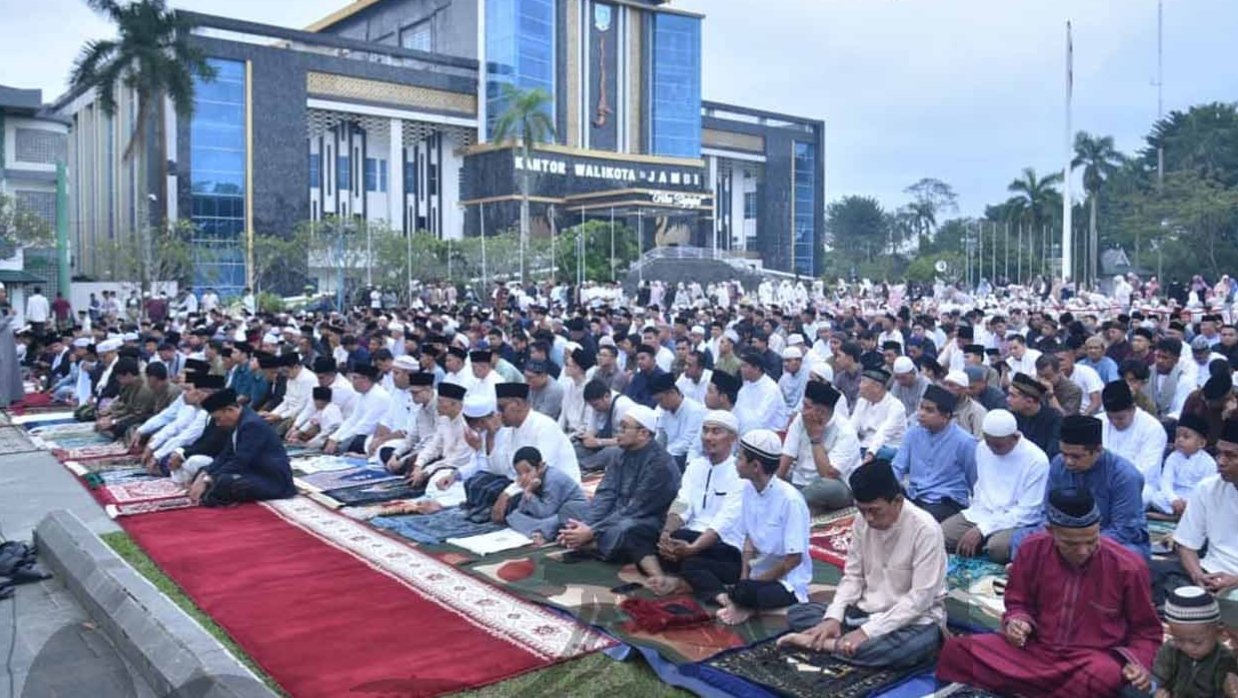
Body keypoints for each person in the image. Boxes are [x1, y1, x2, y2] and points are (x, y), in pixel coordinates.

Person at [937, 487, 1164, 698]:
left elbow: (1147, 632)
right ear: (1051, 531)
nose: (1084, 550)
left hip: (1087, 660)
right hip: (1034, 651)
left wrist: (1139, 663)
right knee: (957, 651)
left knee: (1104, 678)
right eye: (1072, 544)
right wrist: (1018, 622)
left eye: (1091, 541)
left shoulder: (1127, 566)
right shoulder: (1031, 549)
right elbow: (1017, 602)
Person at [780, 459, 947, 669]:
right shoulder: (862, 521)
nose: (868, 518)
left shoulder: (926, 530)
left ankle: (822, 643)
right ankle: (841, 643)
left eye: (875, 510)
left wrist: (867, 632)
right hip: (863, 613)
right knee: (799, 613)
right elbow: (853, 576)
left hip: (912, 622)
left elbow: (920, 600)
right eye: (862, 510)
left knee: (900, 649)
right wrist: (833, 617)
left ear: (897, 501)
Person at [557, 405, 681, 568]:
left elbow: (636, 508)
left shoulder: (660, 464)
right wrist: (587, 524)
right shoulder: (620, 453)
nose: (618, 432)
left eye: (624, 427)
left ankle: (592, 544)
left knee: (625, 529)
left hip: (645, 518)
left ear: (643, 433)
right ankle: (587, 541)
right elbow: (605, 493)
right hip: (615, 513)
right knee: (570, 508)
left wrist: (591, 531)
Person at [1012, 414, 1150, 560]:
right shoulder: (1058, 464)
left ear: (1098, 450)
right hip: (1063, 537)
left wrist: (1079, 543)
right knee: (1020, 539)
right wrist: (1064, 540)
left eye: (1076, 457)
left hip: (1103, 540)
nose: (1068, 462)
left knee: (1124, 558)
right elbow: (1048, 512)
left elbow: (1125, 530)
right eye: (1064, 454)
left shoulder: (1124, 475)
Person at [713, 429, 814, 626]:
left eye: (740, 457)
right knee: (697, 563)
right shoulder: (747, 488)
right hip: (756, 572)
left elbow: (793, 560)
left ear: (756, 466)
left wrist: (752, 584)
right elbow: (749, 539)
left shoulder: (790, 500)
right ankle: (738, 598)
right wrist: (744, 577)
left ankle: (741, 603)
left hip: (785, 582)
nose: (735, 460)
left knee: (743, 591)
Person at [644, 411, 745, 600]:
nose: (708, 437)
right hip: (688, 539)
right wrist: (666, 533)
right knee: (643, 532)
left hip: (722, 545)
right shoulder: (696, 466)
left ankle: (711, 592)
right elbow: (683, 503)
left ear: (732, 438)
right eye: (705, 431)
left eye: (716, 432)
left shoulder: (739, 473)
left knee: (691, 561)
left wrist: (693, 548)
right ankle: (665, 576)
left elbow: (724, 522)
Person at [1152, 417, 1238, 610]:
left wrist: (1235, 580)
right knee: (1145, 570)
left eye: (1230, 456)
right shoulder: (1208, 488)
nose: (1221, 462)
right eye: (1219, 454)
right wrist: (1197, 575)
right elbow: (1186, 545)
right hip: (1209, 571)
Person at [941, 409, 1049, 564]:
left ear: (1015, 437)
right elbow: (981, 489)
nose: (991, 448)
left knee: (998, 549)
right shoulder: (983, 448)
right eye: (988, 442)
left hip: (1015, 521)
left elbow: (1028, 512)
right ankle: (978, 545)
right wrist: (979, 526)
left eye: (997, 445)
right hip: (981, 514)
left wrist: (983, 530)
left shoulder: (1037, 460)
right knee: (940, 535)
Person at [187, 388, 297, 506]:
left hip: (270, 479)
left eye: (218, 419)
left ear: (229, 410)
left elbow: (240, 461)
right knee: (204, 470)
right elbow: (225, 455)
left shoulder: (252, 424)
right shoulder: (239, 421)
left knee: (224, 482)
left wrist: (208, 479)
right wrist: (204, 473)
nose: (218, 424)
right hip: (252, 471)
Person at [890, 384, 977, 522]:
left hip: (946, 501)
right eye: (921, 407)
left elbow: (975, 480)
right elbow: (898, 467)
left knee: (916, 521)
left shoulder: (965, 441)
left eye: (929, 410)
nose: (921, 413)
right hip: (915, 495)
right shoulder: (913, 433)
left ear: (946, 416)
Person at [779, 381, 862, 513]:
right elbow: (787, 456)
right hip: (800, 480)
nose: (802, 411)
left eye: (807, 407)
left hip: (837, 487)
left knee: (824, 487)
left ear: (821, 412)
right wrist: (773, 483)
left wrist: (816, 439)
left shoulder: (846, 432)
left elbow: (827, 475)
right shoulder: (800, 420)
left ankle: (793, 505)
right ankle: (800, 505)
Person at [1152, 587, 1238, 698]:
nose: (1188, 648)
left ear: (1218, 633)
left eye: (1197, 642)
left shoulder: (1224, 659)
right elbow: (1158, 679)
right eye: (1179, 639)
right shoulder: (1171, 649)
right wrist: (1156, 689)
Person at [1099, 381, 1169, 503]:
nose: (1114, 422)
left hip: (1138, 485)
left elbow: (1147, 472)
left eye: (1120, 418)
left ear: (1133, 408)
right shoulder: (1099, 421)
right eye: (1110, 417)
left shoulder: (1152, 428)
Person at [505, 446, 589, 542]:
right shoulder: (533, 482)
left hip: (571, 511)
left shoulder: (553, 478)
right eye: (520, 474)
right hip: (550, 511)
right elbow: (522, 509)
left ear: (540, 466)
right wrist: (526, 492)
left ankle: (540, 532)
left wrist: (529, 493)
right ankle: (539, 531)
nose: (524, 477)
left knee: (553, 521)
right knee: (513, 516)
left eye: (527, 471)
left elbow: (546, 512)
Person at [1148, 413, 1216, 516]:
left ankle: (1171, 516)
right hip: (1175, 496)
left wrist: (1188, 502)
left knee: (1207, 505)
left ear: (1201, 443)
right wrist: (1174, 500)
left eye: (1186, 437)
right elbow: (1166, 482)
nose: (1180, 440)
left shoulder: (1209, 462)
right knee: (1154, 497)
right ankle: (1178, 515)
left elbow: (1207, 489)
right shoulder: (1173, 457)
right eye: (1177, 436)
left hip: (1194, 498)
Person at [324, 364, 392, 455]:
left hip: (371, 437)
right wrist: (334, 437)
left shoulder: (380, 396)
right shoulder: (362, 394)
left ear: (365, 379)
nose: (352, 382)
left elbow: (365, 426)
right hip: (358, 433)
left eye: (355, 378)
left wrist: (340, 440)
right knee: (329, 440)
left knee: (347, 444)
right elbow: (353, 419)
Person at [651, 372, 706, 470]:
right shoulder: (664, 411)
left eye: (661, 400)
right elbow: (661, 437)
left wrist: (663, 454)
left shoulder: (695, 411)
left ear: (672, 393)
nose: (659, 405)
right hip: (669, 455)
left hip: (687, 458)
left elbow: (687, 443)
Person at [851, 368, 907, 461]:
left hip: (888, 446)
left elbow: (883, 433)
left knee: (880, 454)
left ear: (877, 386)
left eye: (863, 382)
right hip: (865, 444)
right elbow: (852, 427)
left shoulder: (896, 406)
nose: (859, 386)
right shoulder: (862, 402)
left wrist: (870, 453)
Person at [1007, 372, 1062, 458]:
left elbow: (1052, 453)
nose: (1007, 399)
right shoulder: (1010, 417)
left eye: (1013, 396)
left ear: (1029, 402)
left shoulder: (1054, 419)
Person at [732, 350, 787, 434]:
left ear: (756, 368)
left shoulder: (771, 389)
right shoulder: (745, 387)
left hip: (769, 434)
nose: (741, 370)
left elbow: (760, 421)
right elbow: (737, 412)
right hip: (747, 431)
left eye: (744, 366)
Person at [0, 288, 23, 407]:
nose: (4, 295)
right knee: (3, 375)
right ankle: (2, 401)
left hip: (7, 346)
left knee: (9, 373)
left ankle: (11, 397)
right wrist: (10, 317)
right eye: (2, 292)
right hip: (2, 348)